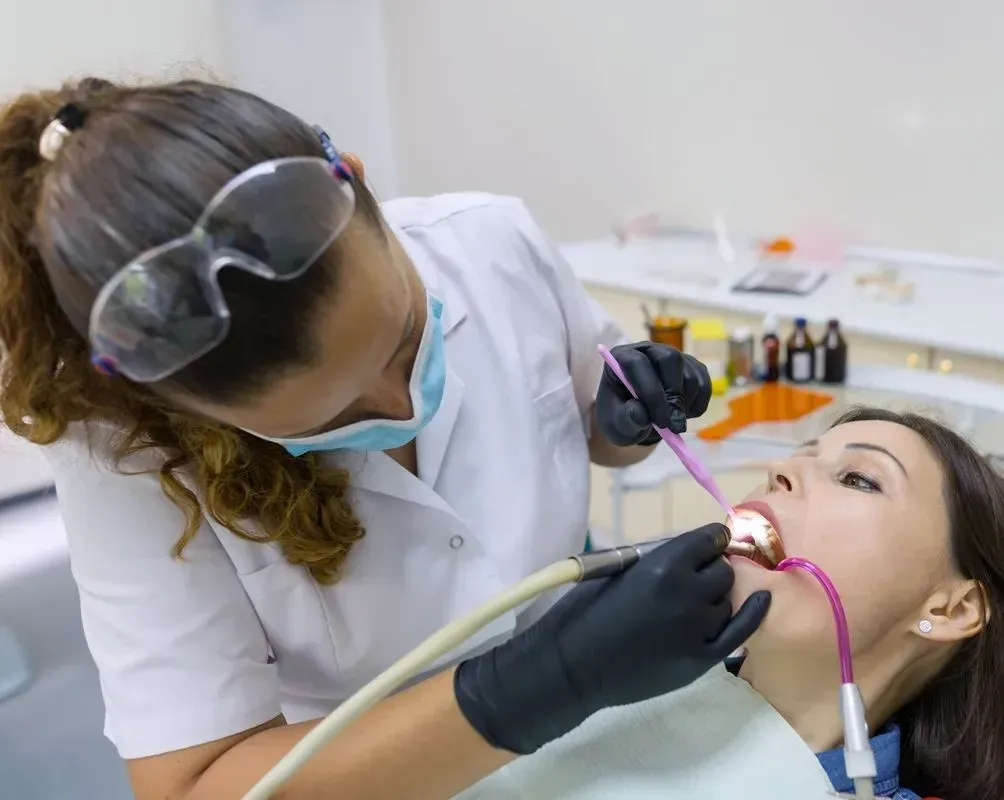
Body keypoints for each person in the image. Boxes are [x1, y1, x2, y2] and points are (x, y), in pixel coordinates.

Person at [0, 78, 771, 799]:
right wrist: (541, 684)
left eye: (408, 340)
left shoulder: (491, 244)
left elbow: (602, 439)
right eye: (332, 421)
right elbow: (196, 784)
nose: (399, 403)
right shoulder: (125, 450)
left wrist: (620, 422)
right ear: (183, 408)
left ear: (359, 181)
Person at [454, 408, 1004, 800]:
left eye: (857, 478)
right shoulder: (627, 682)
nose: (780, 473)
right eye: (798, 459)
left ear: (953, 607)